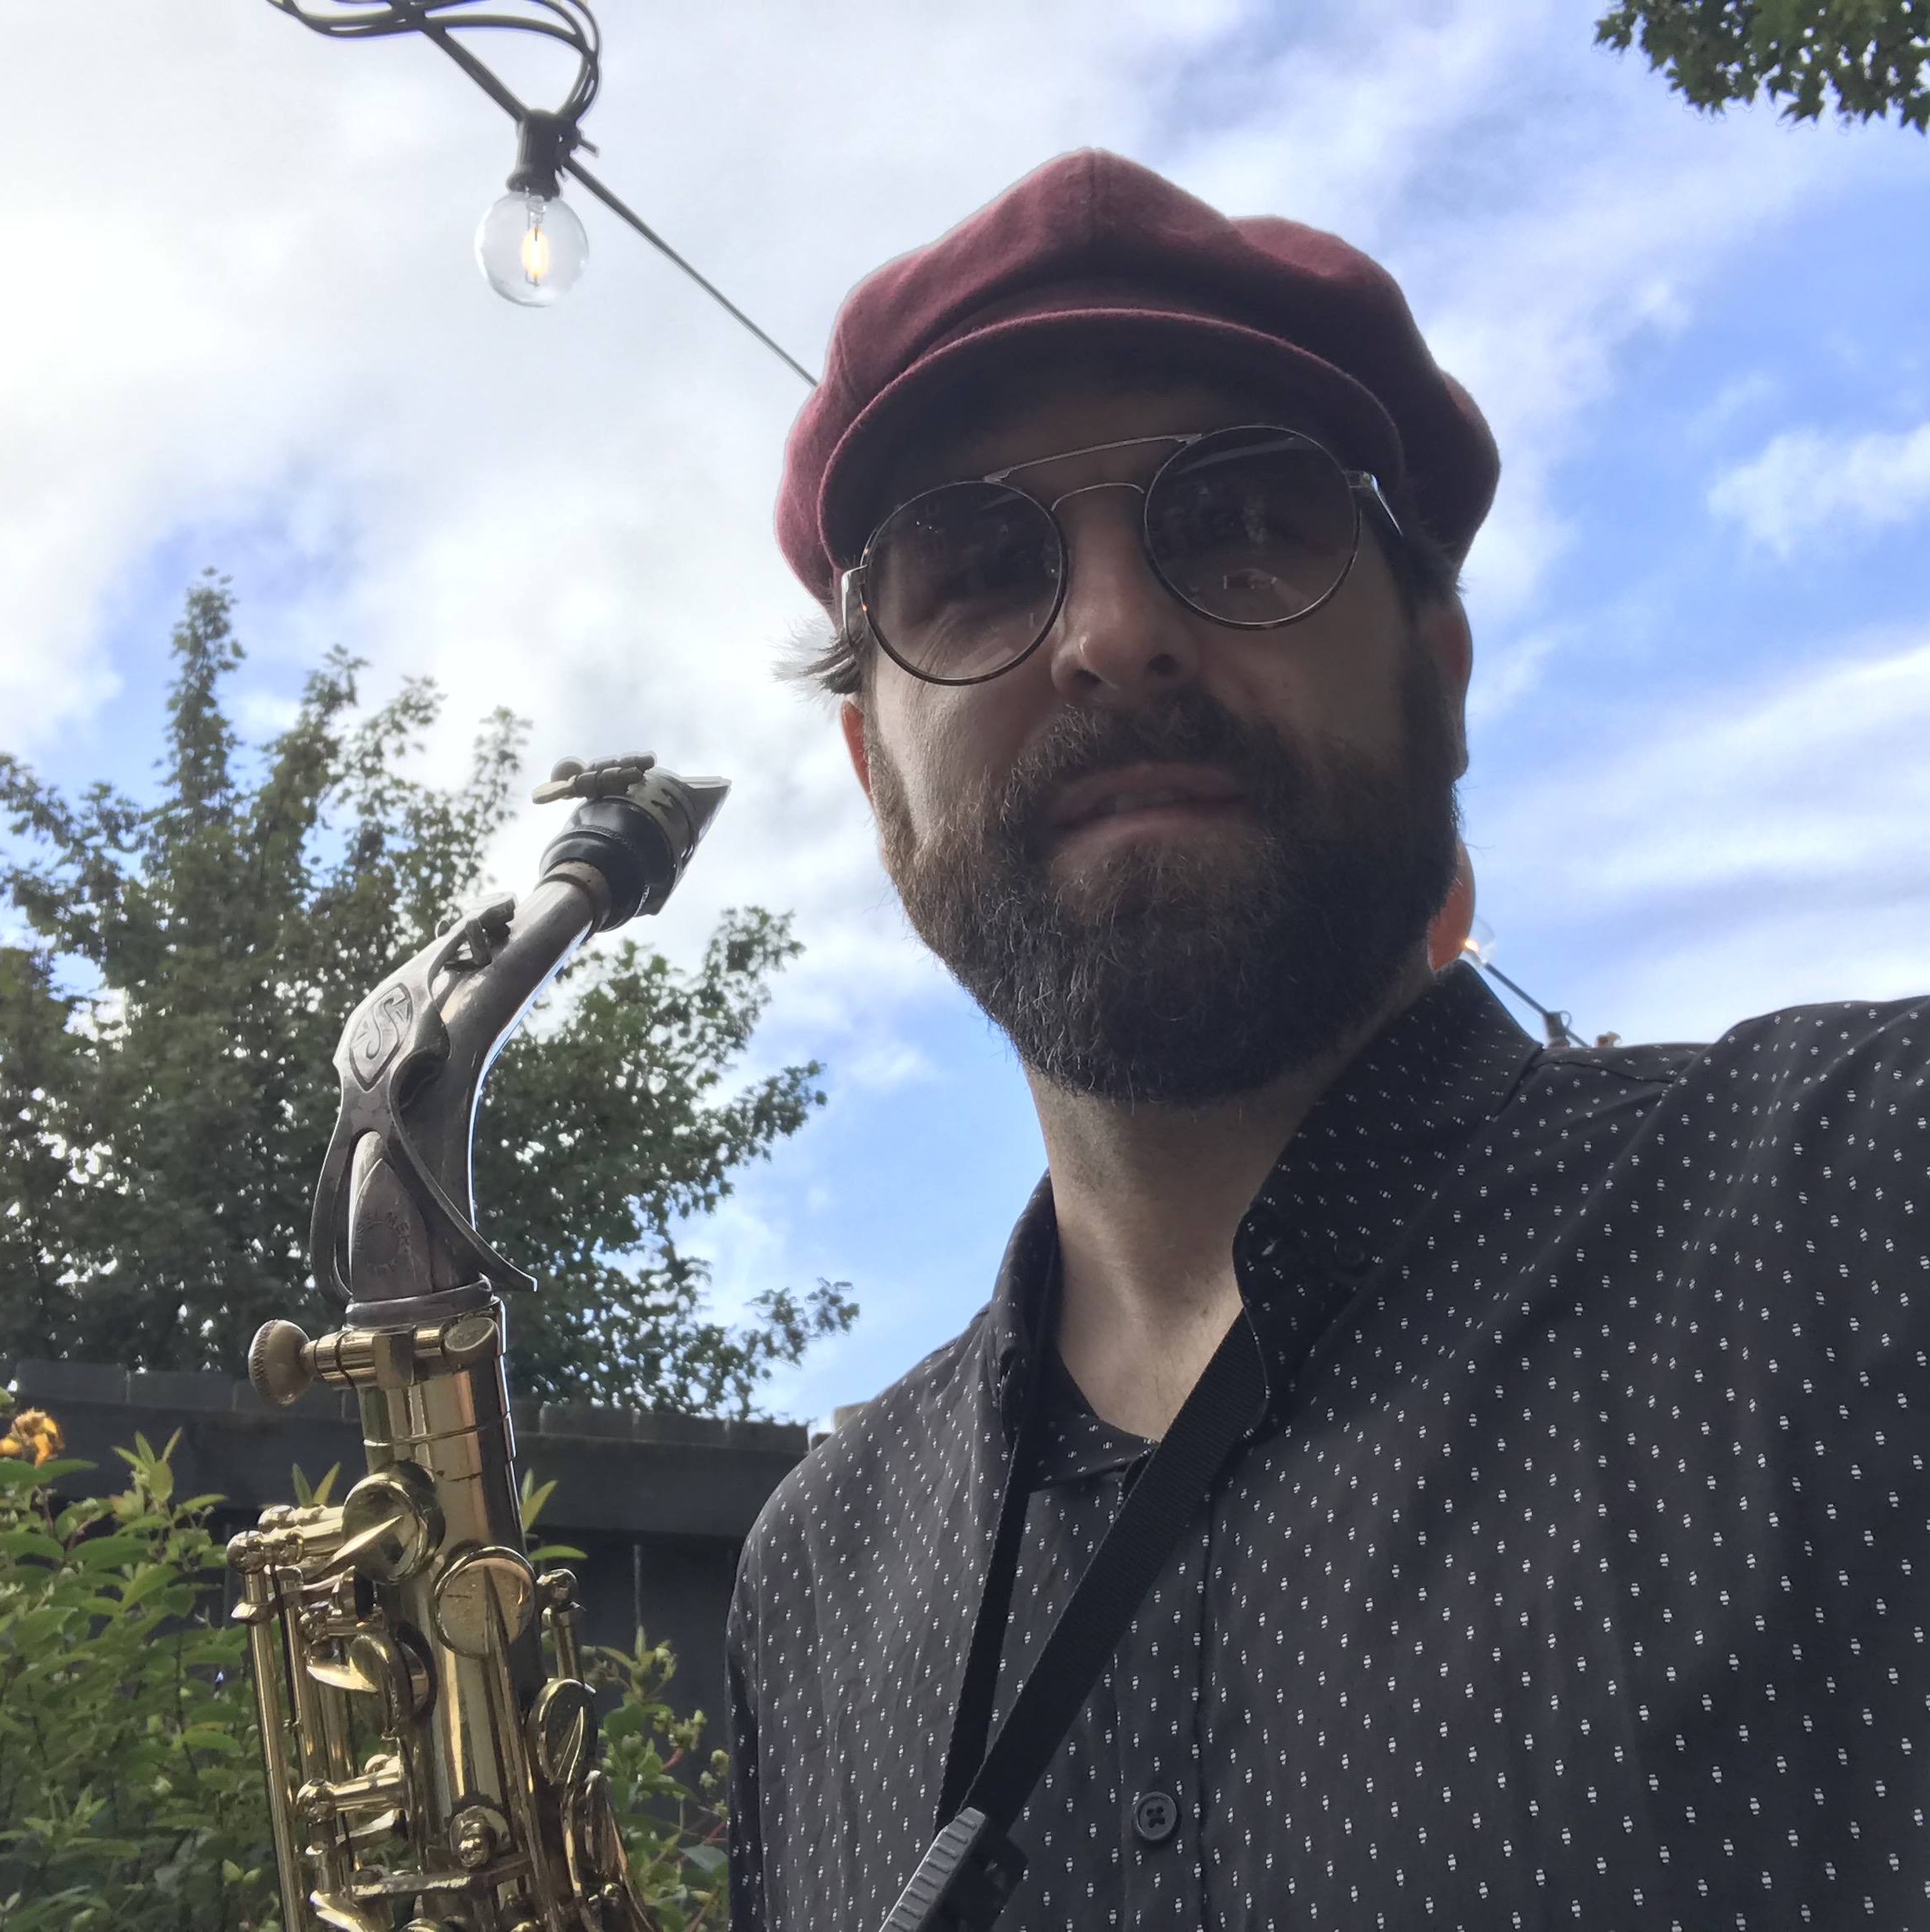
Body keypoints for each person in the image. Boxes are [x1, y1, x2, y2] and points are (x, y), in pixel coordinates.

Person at [725, 150, 1928, 1931]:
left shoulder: (1872, 1203)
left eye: (1241, 523)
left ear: (1437, 673)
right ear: (869, 773)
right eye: (976, 569)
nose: (1114, 636)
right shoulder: (808, 1580)